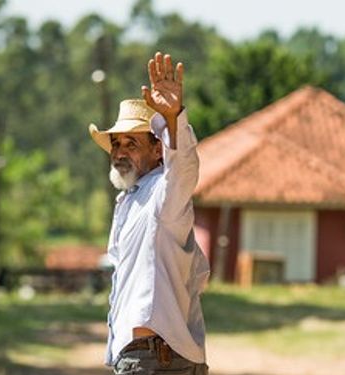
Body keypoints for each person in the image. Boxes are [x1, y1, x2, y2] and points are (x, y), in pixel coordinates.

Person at [89, 51, 210, 375]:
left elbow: (182, 168)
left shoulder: (162, 191)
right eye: (116, 144)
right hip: (155, 356)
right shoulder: (130, 200)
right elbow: (198, 275)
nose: (119, 153)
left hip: (155, 360)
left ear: (158, 149)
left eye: (132, 144)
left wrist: (174, 118)